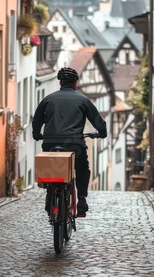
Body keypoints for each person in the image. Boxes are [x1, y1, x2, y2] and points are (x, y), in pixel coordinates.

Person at [32, 67, 107, 217]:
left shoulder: (48, 99)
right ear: (75, 83)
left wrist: (37, 135)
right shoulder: (83, 100)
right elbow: (98, 121)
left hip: (50, 142)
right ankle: (81, 200)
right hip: (74, 143)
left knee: (51, 165)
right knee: (82, 168)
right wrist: (101, 133)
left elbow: (37, 120)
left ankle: (49, 197)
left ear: (60, 82)